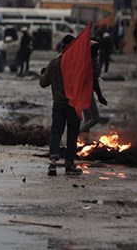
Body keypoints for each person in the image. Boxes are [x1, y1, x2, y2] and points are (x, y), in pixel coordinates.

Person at [40, 34, 83, 177]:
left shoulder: (54, 63)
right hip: (73, 104)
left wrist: (44, 73)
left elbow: (43, 83)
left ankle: (52, 163)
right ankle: (69, 164)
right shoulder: (78, 64)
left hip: (58, 104)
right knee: (72, 135)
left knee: (56, 132)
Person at [80, 40, 107, 133]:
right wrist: (99, 96)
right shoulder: (92, 63)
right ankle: (77, 133)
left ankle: (84, 141)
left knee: (87, 119)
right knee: (95, 118)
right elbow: (95, 81)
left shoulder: (83, 61)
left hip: (81, 91)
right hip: (87, 93)